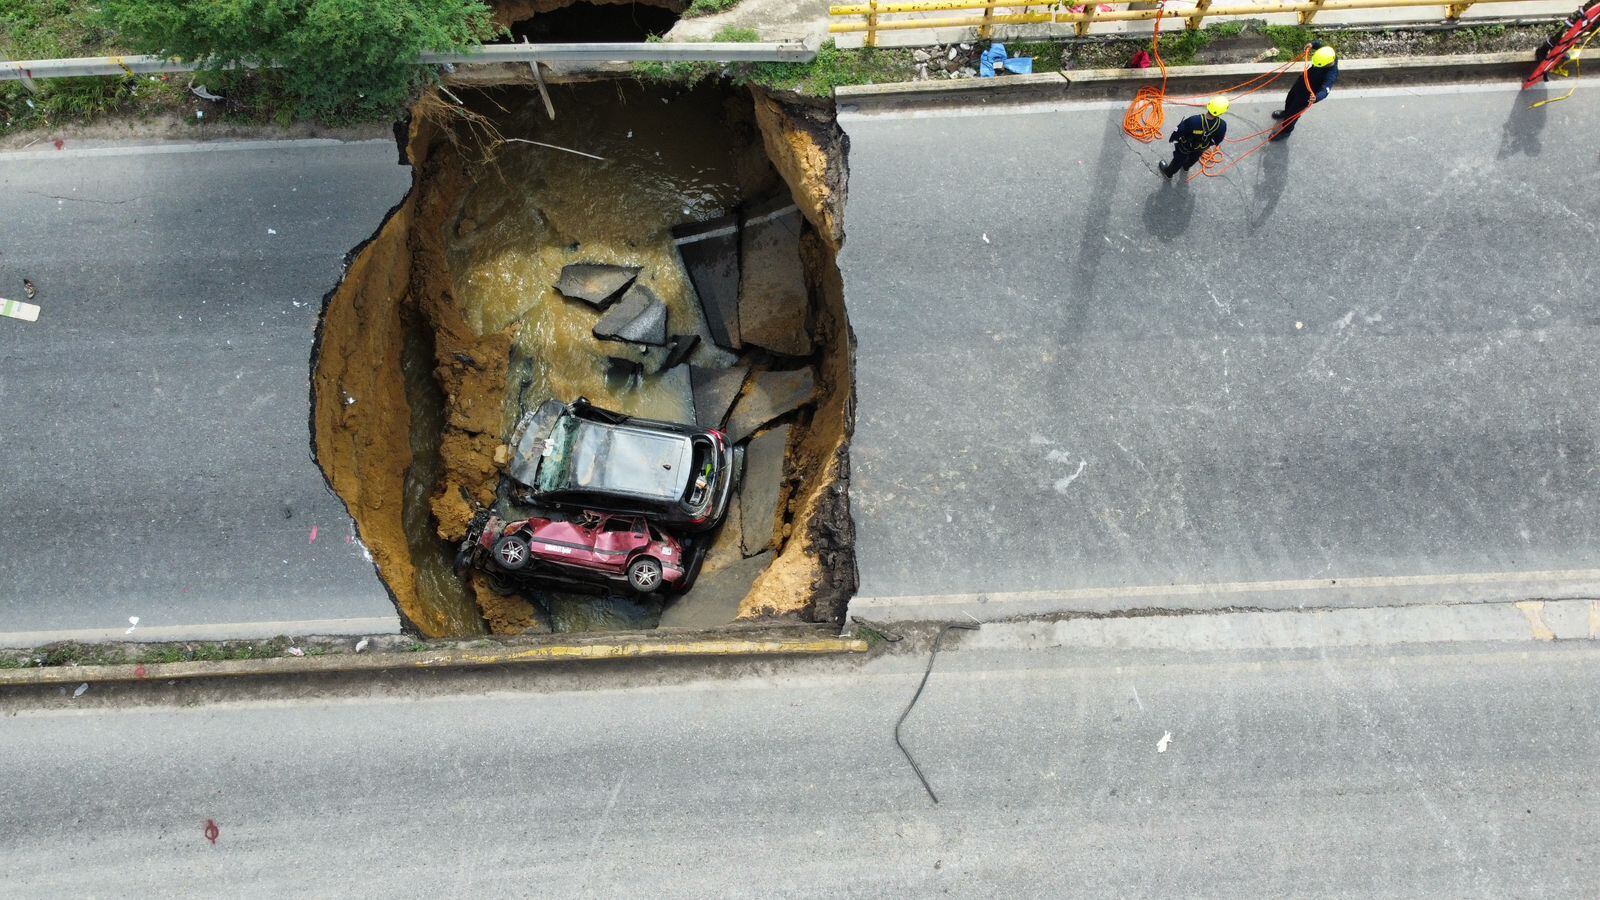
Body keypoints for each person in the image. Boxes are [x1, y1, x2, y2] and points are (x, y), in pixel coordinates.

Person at [1270, 43, 1339, 141]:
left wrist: (1316, 97)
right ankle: (1286, 113)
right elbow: (1319, 44)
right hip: (1300, 84)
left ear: (1327, 64)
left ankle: (1286, 131)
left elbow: (1325, 90)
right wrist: (1312, 44)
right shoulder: (1327, 52)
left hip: (1306, 96)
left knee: (1293, 115)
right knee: (1289, 99)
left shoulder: (1331, 74)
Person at [1158, 96, 1229, 179]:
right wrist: (1211, 143)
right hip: (1201, 147)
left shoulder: (1194, 120)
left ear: (1209, 105)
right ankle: (1186, 167)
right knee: (1194, 157)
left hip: (1185, 146)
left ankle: (1169, 173)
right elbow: (1218, 139)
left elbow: (1179, 130)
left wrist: (1173, 138)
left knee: (1178, 160)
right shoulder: (1222, 125)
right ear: (1221, 112)